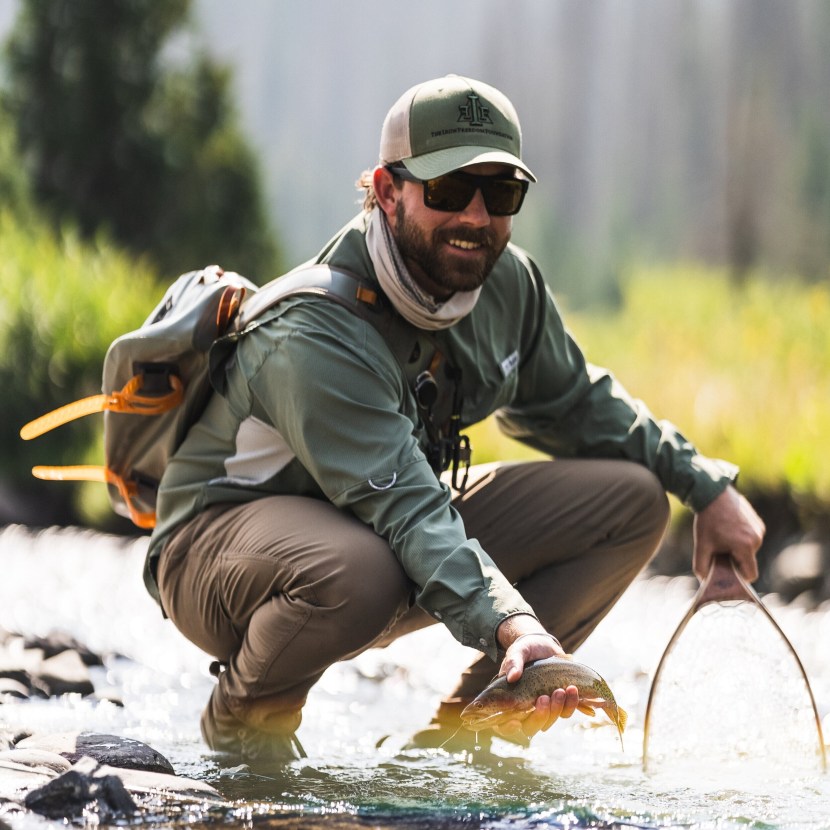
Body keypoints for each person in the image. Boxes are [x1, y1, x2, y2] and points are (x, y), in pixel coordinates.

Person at [144, 74, 765, 766]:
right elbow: (410, 511)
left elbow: (582, 406)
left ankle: (464, 741)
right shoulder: (314, 332)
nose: (476, 216)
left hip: (379, 532)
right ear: (386, 191)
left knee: (632, 502)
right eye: (447, 190)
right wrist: (515, 625)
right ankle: (243, 728)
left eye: (501, 193)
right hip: (214, 551)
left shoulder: (507, 285)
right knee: (362, 569)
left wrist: (706, 488)